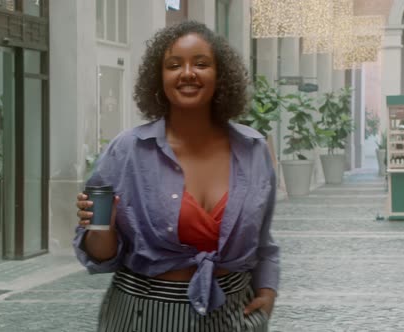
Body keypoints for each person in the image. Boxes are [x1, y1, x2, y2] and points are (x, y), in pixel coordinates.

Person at [74, 20, 279, 332]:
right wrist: (102, 228)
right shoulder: (127, 151)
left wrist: (267, 291)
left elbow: (263, 239)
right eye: (173, 65)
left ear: (220, 75)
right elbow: (100, 256)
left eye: (201, 63)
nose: (187, 73)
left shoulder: (253, 149)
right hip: (143, 314)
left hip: (232, 312)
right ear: (159, 78)